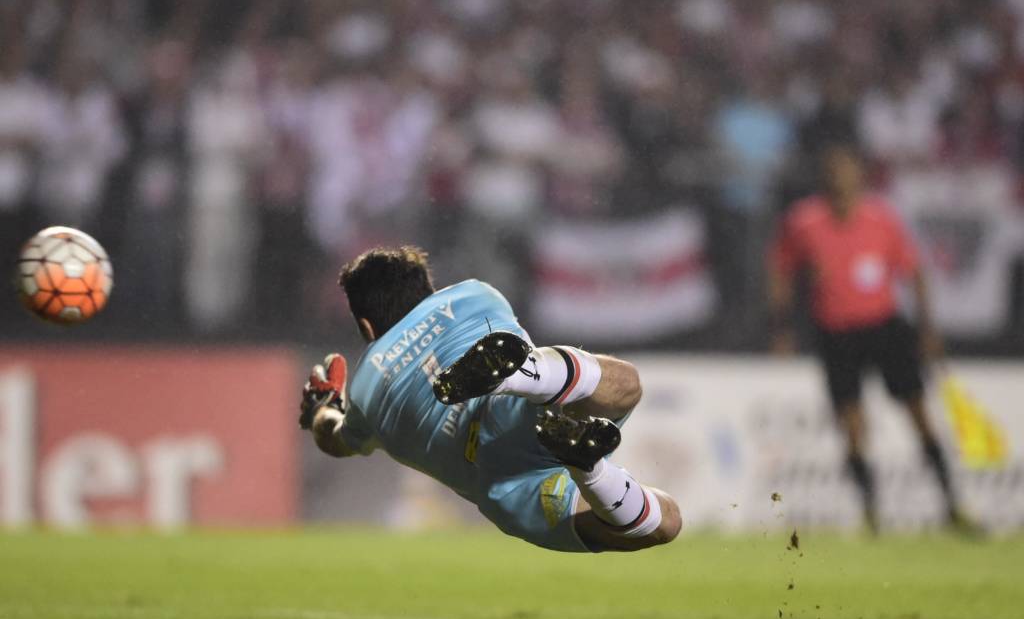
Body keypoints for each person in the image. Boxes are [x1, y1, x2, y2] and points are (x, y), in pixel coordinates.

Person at [299, 246, 682, 552]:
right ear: (428, 290)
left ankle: (589, 468)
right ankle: (527, 376)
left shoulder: (365, 389)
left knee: (664, 525)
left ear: (366, 326)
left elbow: (334, 439)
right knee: (625, 384)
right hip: (517, 411)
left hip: (504, 482)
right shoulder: (476, 295)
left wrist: (323, 408)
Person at [768, 144, 968, 533]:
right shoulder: (804, 221)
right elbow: (781, 269)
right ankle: (871, 513)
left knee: (919, 413)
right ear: (824, 177)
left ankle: (951, 505)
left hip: (884, 327)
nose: (839, 178)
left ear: (860, 176)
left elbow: (913, 272)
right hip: (836, 332)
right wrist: (782, 326)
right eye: (833, 171)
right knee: (852, 424)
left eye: (846, 170)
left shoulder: (882, 218)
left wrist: (927, 329)